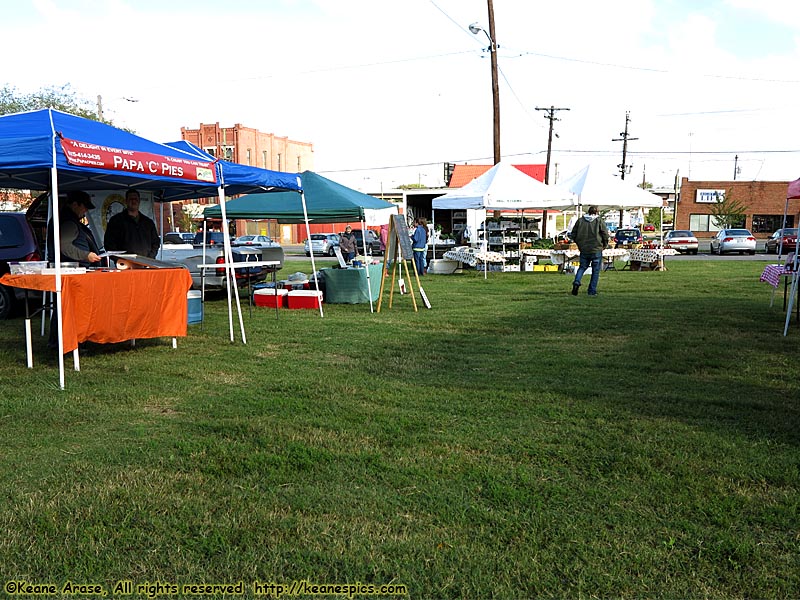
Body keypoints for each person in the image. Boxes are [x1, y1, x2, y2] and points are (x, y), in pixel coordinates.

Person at [47, 190, 103, 268]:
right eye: (85, 206)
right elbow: (64, 246)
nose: (86, 210)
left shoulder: (62, 219)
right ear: (75, 205)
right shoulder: (68, 222)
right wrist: (86, 255)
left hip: (70, 267)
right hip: (72, 269)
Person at [104, 189, 160, 257]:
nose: (133, 201)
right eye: (131, 199)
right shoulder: (116, 221)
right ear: (126, 201)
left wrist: (150, 258)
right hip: (125, 264)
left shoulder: (148, 222)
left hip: (146, 263)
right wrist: (119, 260)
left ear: (139, 201)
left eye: (135, 199)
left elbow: (156, 242)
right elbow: (109, 244)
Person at [570, 205, 609, 297]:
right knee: (595, 271)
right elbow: (605, 234)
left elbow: (573, 234)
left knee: (582, 267)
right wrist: (605, 244)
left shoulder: (580, 221)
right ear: (597, 212)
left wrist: (579, 243)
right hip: (596, 249)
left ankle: (577, 281)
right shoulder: (599, 221)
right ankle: (592, 291)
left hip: (584, 249)